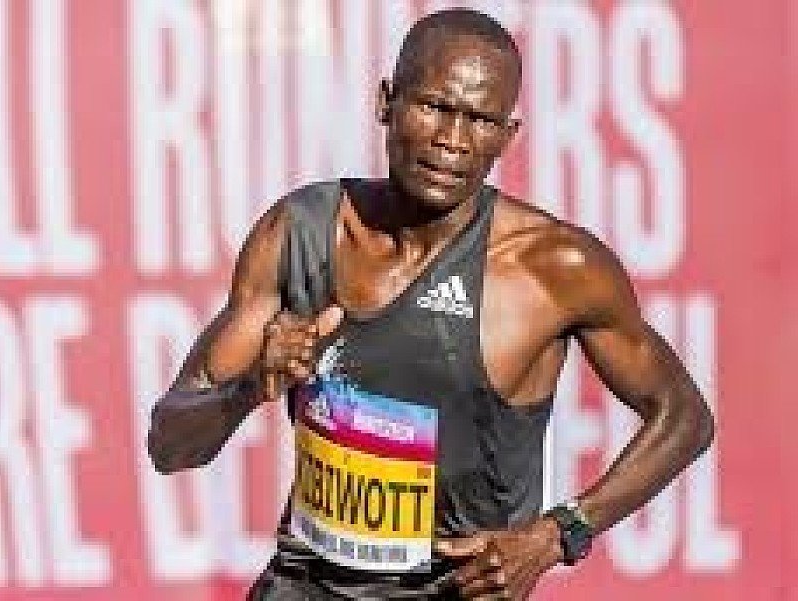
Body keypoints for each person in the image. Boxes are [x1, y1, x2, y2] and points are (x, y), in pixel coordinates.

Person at [146, 8, 714, 600]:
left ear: (508, 136)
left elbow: (684, 418)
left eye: (480, 120)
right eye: (434, 107)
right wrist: (248, 388)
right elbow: (170, 444)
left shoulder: (551, 267)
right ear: (385, 102)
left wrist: (558, 533)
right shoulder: (298, 234)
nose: (453, 141)